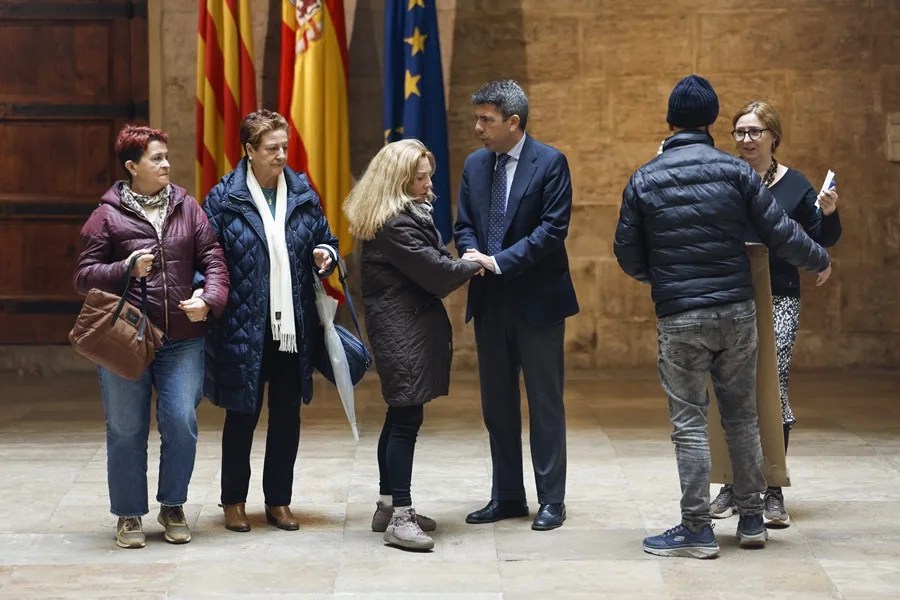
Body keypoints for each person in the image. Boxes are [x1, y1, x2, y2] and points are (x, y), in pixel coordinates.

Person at [614, 75, 833, 559]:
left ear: (670, 121)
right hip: (737, 311)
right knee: (743, 416)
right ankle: (752, 520)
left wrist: (666, 277)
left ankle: (696, 529)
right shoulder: (736, 174)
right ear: (714, 122)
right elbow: (779, 232)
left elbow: (626, 254)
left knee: (689, 423)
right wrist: (819, 257)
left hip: (680, 315)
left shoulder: (646, 177)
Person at [73, 124, 229, 549]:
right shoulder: (106, 215)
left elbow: (214, 259)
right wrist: (125, 268)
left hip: (182, 337)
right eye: (156, 158)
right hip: (126, 337)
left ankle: (173, 505)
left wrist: (210, 300)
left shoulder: (187, 207)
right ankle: (128, 515)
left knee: (181, 422)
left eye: (166, 157)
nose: (166, 165)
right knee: (126, 427)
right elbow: (84, 277)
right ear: (131, 166)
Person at [202, 109, 338, 533]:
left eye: (285, 146)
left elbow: (326, 240)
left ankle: (279, 501)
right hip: (243, 324)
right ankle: (234, 502)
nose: (282, 155)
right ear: (249, 150)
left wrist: (325, 256)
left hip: (292, 324)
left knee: (287, 415)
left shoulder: (302, 192)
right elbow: (206, 257)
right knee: (242, 413)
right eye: (272, 148)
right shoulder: (223, 199)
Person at [344, 138, 482, 550]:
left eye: (427, 176)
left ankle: (388, 505)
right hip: (402, 328)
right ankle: (400, 518)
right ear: (399, 181)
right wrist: (475, 263)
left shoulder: (398, 214)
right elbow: (436, 272)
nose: (427, 185)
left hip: (403, 325)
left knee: (399, 414)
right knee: (406, 420)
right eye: (420, 178)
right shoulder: (395, 222)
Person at [709, 100, 842, 527]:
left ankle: (771, 488)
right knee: (732, 383)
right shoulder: (726, 175)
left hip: (780, 292)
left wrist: (828, 213)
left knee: (773, 381)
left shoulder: (795, 184)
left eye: (755, 132)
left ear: (773, 137)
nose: (746, 140)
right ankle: (731, 481)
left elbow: (821, 238)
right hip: (731, 291)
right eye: (740, 132)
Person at [454, 80, 579, 532]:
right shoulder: (474, 164)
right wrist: (472, 254)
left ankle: (551, 500)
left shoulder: (550, 163)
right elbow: (463, 223)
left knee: (545, 402)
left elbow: (552, 231)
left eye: (486, 120)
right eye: (477, 118)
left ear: (513, 121)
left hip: (538, 301)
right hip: (489, 300)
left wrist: (499, 261)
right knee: (498, 404)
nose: (478, 128)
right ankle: (506, 495)